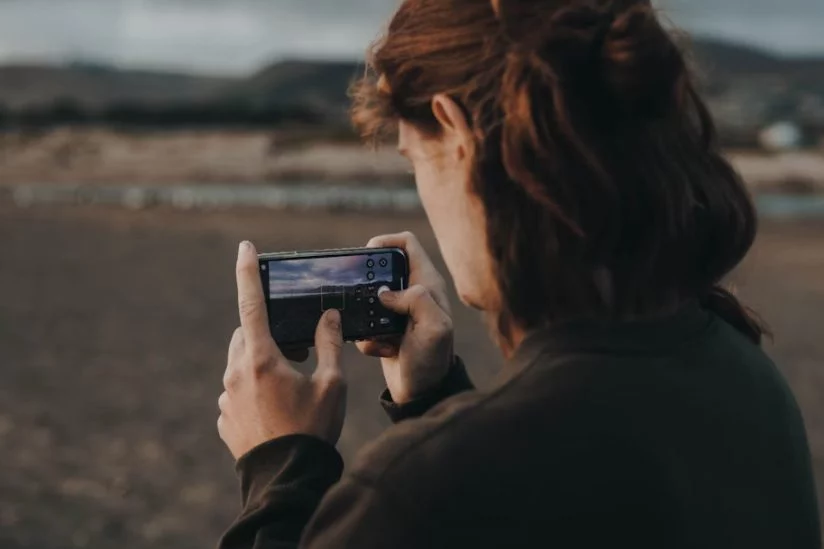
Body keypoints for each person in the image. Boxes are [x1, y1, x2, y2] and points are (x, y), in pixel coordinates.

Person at [215, 0, 821, 547]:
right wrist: (433, 402)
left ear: (455, 133)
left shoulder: (408, 496)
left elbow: (493, 490)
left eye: (412, 160)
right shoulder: (746, 374)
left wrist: (281, 466)